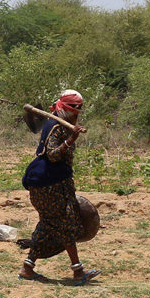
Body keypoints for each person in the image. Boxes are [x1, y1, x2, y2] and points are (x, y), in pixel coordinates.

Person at [20, 90, 99, 285]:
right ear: (65, 107)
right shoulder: (55, 126)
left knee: (47, 225)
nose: (77, 112)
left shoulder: (60, 124)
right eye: (75, 108)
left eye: (80, 109)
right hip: (48, 186)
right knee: (66, 224)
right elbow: (53, 154)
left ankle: (27, 268)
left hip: (49, 184)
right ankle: (78, 271)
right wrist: (71, 140)